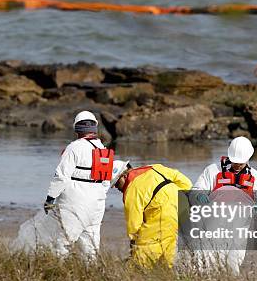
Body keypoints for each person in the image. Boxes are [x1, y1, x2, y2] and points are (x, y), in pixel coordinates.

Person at [190, 136, 257, 274]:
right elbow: (196, 190)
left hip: (239, 228)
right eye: (235, 161)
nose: (237, 165)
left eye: (241, 162)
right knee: (209, 263)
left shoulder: (256, 177)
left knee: (233, 265)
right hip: (213, 224)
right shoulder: (213, 171)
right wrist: (200, 196)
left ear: (248, 157)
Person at [42, 111, 114, 258]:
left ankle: (57, 274)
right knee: (91, 246)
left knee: (63, 241)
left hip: (75, 201)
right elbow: (106, 181)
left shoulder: (74, 148)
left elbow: (61, 176)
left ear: (76, 129)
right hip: (97, 204)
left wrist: (50, 198)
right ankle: (91, 275)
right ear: (95, 128)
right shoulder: (102, 149)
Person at [111, 160, 192, 268]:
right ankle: (168, 276)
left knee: (140, 259)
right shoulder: (154, 167)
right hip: (183, 207)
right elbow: (185, 182)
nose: (117, 188)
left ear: (124, 176)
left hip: (163, 216)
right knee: (169, 256)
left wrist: (134, 246)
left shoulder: (131, 190)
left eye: (116, 183)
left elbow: (134, 226)